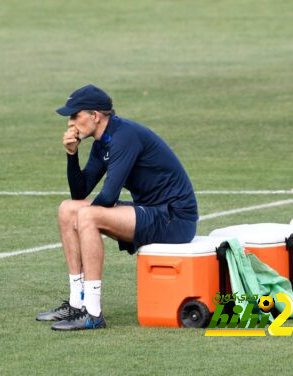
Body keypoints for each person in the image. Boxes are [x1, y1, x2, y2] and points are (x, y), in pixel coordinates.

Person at [36, 84, 198, 331]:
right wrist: (72, 154)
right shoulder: (103, 141)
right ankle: (76, 302)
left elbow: (109, 195)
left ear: (95, 115)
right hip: (151, 211)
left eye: (74, 115)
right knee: (67, 209)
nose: (70, 123)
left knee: (87, 216)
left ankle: (93, 313)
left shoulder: (124, 136)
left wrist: (86, 218)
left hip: (174, 219)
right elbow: (80, 192)